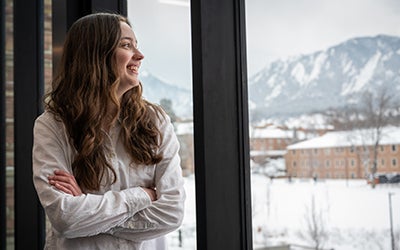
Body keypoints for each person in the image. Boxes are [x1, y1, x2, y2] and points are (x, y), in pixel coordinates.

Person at [32, 12, 185, 249]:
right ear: (95, 54)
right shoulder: (52, 125)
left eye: (137, 46)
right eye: (126, 45)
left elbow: (172, 213)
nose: (140, 55)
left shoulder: (155, 121)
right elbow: (65, 218)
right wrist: (142, 196)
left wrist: (86, 206)